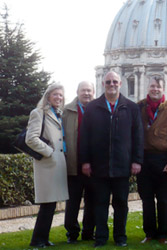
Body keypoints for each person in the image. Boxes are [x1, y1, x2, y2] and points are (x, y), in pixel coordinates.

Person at [79, 71, 144, 247]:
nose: (111, 84)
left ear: (120, 83)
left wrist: (137, 160)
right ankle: (100, 238)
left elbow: (138, 136)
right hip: (99, 165)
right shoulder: (92, 107)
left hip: (122, 165)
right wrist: (85, 161)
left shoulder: (131, 107)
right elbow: (84, 136)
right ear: (103, 84)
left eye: (115, 81)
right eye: (108, 82)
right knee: (100, 204)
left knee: (121, 203)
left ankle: (120, 237)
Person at [137, 77, 167, 245]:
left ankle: (163, 234)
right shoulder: (139, 107)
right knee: (146, 199)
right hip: (143, 159)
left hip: (163, 159)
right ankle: (149, 233)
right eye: (152, 86)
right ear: (148, 88)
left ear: (164, 88)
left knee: (163, 199)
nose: (155, 89)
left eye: (158, 86)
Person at [26, 83, 69, 247]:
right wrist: (49, 151)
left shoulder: (58, 114)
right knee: (47, 204)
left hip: (56, 164)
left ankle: (42, 238)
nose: (58, 98)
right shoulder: (38, 113)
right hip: (47, 164)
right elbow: (30, 138)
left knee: (51, 204)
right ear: (48, 96)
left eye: (61, 95)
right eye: (55, 95)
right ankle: (37, 240)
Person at [62, 81, 95, 243]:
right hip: (73, 164)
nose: (86, 93)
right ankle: (72, 234)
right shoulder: (66, 111)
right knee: (73, 202)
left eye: (89, 90)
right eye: (83, 91)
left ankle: (88, 233)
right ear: (77, 92)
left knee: (92, 202)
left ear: (93, 92)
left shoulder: (98, 110)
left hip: (93, 166)